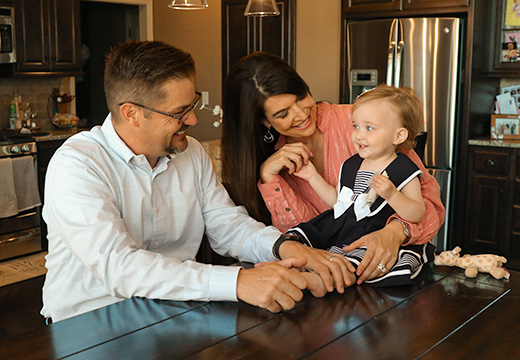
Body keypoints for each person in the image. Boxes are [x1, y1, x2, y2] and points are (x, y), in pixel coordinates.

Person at [41, 41, 347, 323]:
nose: (193, 120)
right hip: (91, 322)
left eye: (193, 104)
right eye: (179, 112)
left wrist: (285, 247)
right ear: (131, 114)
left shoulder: (191, 153)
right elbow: (120, 267)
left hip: (175, 309)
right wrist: (238, 283)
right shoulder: (78, 165)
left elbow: (227, 225)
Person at [221, 52, 445, 284]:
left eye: (300, 98)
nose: (301, 114)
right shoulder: (275, 160)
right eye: (283, 113)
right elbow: (305, 228)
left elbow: (431, 208)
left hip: (367, 268)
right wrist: (269, 177)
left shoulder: (367, 121)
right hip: (327, 267)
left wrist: (395, 232)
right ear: (265, 122)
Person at [286, 84, 436, 286]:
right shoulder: (351, 164)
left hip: (373, 231)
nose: (358, 135)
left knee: (364, 258)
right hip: (345, 228)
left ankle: (318, 280)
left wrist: (392, 195)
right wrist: (313, 177)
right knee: (303, 236)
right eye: (355, 126)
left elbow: (418, 212)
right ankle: (298, 266)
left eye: (369, 128)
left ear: (398, 136)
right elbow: (339, 203)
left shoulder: (403, 168)